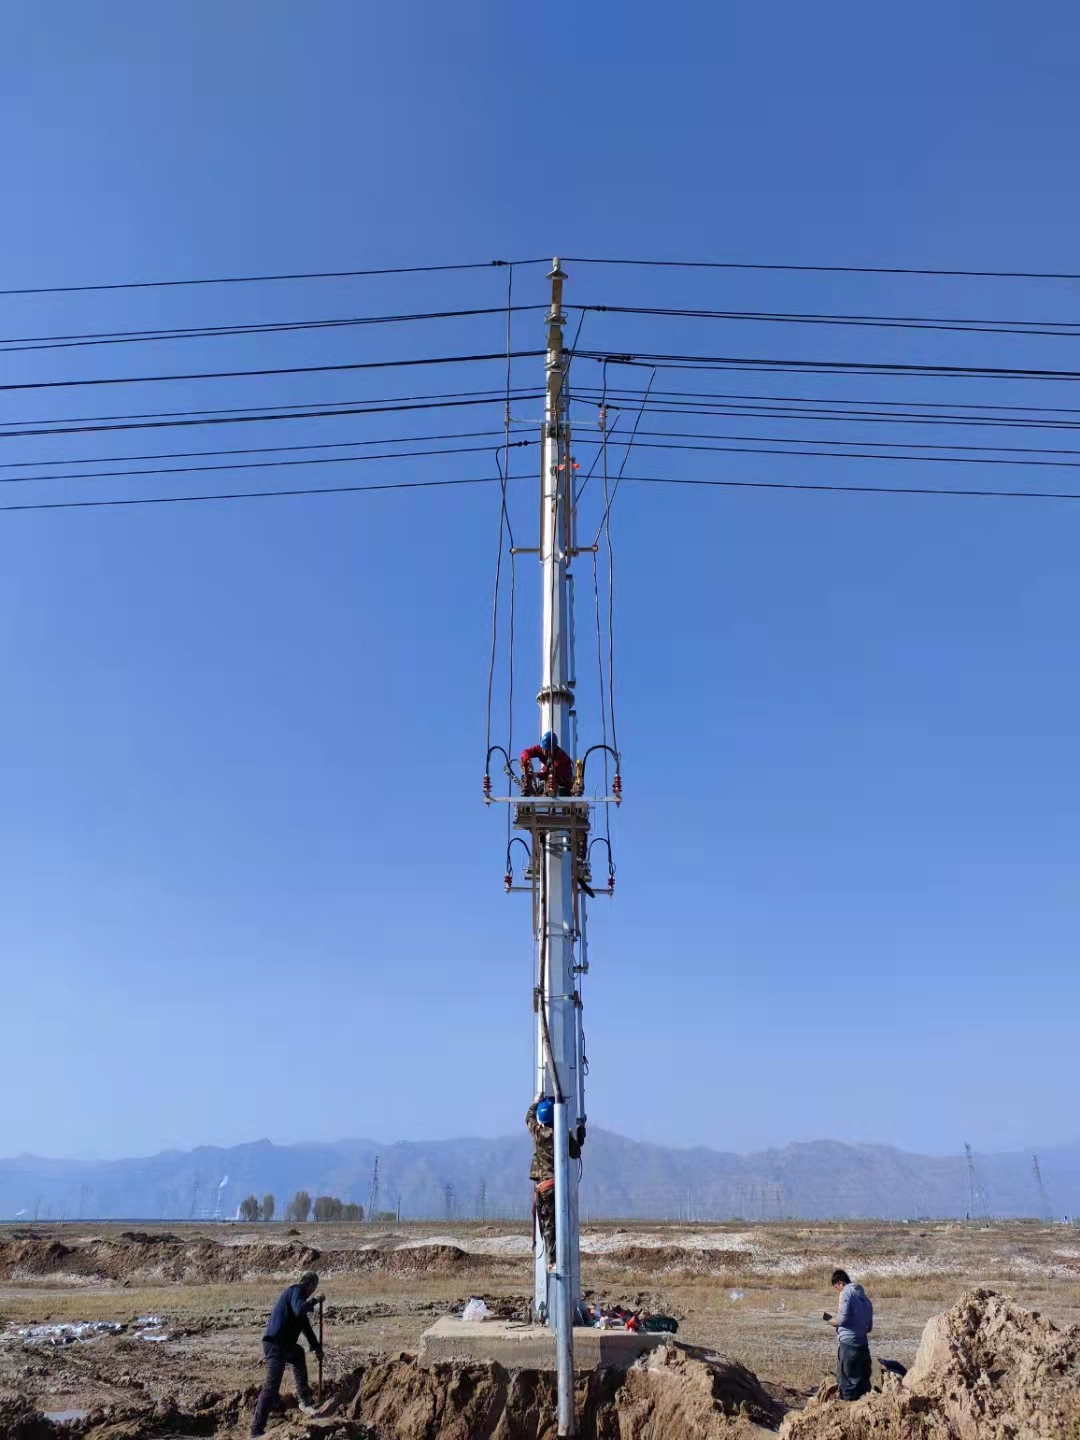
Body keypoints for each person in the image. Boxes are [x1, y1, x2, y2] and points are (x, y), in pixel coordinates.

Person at [251, 1271, 323, 1436]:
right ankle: (256, 1430)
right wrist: (316, 1300)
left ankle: (304, 1399)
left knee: (298, 1354)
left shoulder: (298, 1298)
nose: (313, 1291)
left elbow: (305, 1327)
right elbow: (300, 1310)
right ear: (311, 1285)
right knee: (271, 1386)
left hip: (285, 1345)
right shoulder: (295, 1291)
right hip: (275, 1344)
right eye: (314, 1288)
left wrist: (317, 1347)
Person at [526, 1094, 584, 1271]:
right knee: (562, 1223)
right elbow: (575, 1153)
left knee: (549, 1225)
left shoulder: (537, 1132)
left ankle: (552, 1260)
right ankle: (558, 1260)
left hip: (544, 1187)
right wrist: (579, 1132)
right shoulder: (561, 1134)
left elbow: (528, 1117)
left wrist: (536, 1102)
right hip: (560, 1185)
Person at [823, 1268, 873, 1401]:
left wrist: (829, 1319)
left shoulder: (845, 1293)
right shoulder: (864, 1298)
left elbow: (841, 1320)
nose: (837, 1291)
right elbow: (869, 1327)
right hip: (863, 1345)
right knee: (863, 1384)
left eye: (836, 1287)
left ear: (840, 1283)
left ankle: (847, 1413)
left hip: (848, 1345)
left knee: (846, 1384)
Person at [521, 732, 574, 797]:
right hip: (550, 783)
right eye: (542, 748)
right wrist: (527, 760)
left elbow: (551, 773)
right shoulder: (541, 749)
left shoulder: (561, 758)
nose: (543, 751)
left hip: (563, 787)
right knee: (539, 790)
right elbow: (526, 752)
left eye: (546, 749)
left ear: (552, 749)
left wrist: (536, 775)